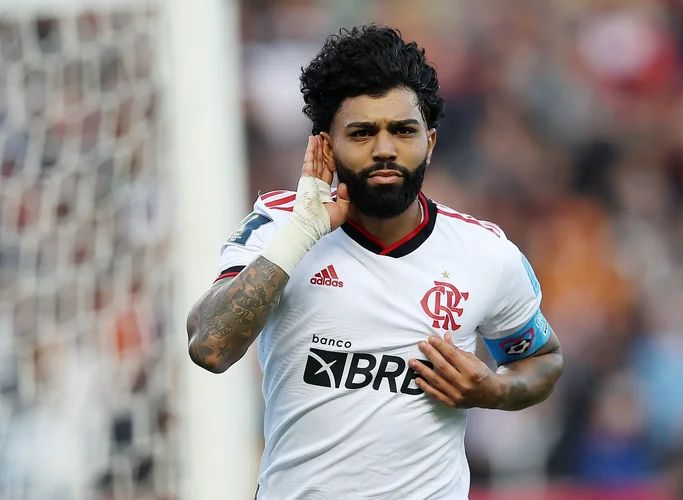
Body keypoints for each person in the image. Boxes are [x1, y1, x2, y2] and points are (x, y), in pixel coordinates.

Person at [187, 25, 563, 500]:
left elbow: (544, 359)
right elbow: (210, 347)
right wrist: (302, 234)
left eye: (402, 130)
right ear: (325, 145)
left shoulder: (485, 253)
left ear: (429, 141)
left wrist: (495, 390)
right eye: (362, 132)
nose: (384, 148)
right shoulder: (277, 228)